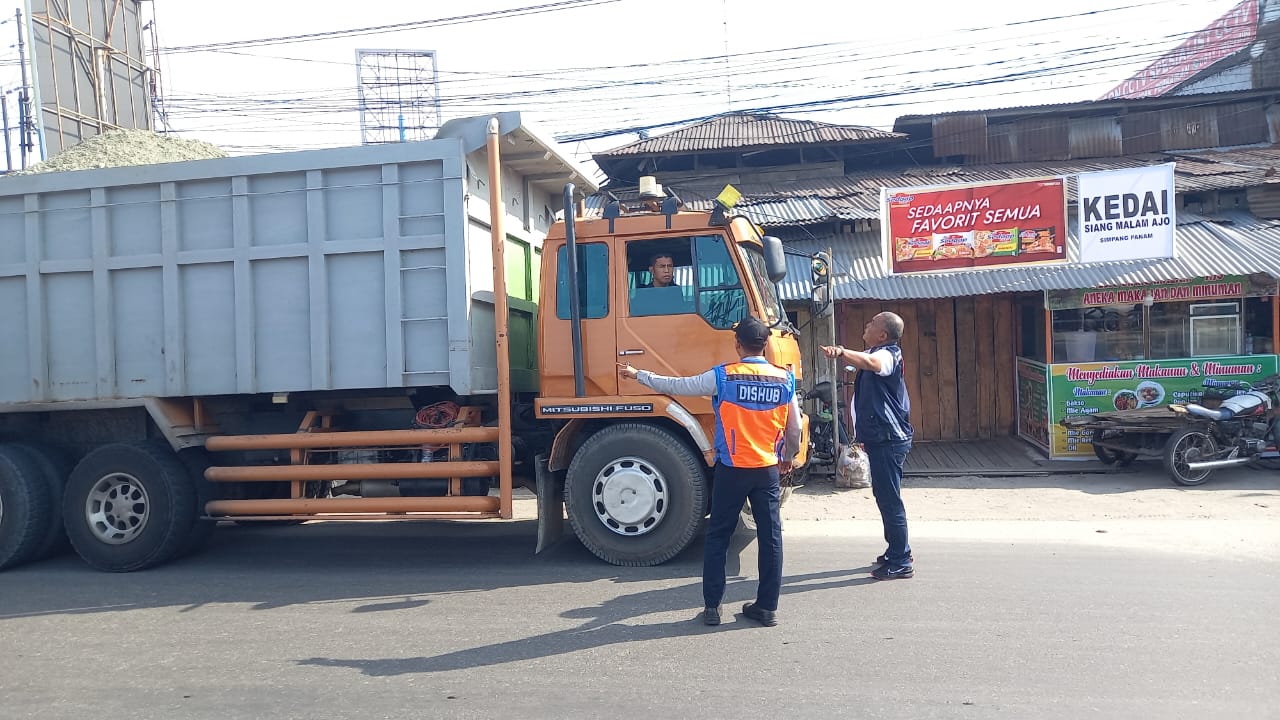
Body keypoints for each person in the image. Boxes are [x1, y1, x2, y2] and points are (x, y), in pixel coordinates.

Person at [618, 316, 801, 626]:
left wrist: (640, 375)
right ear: (766, 345)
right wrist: (787, 456)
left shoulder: (724, 376)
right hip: (767, 469)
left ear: (738, 345)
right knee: (771, 537)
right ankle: (767, 607)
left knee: (718, 537)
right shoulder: (784, 379)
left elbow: (676, 386)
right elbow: (794, 427)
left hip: (732, 469)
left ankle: (712, 608)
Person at [820, 311, 915, 580]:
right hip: (880, 437)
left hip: (888, 438)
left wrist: (840, 352)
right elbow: (863, 360)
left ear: (883, 334)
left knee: (889, 499)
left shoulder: (887, 354)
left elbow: (872, 362)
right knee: (885, 497)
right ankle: (897, 550)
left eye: (872, 323)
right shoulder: (877, 351)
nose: (867, 325)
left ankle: (901, 560)